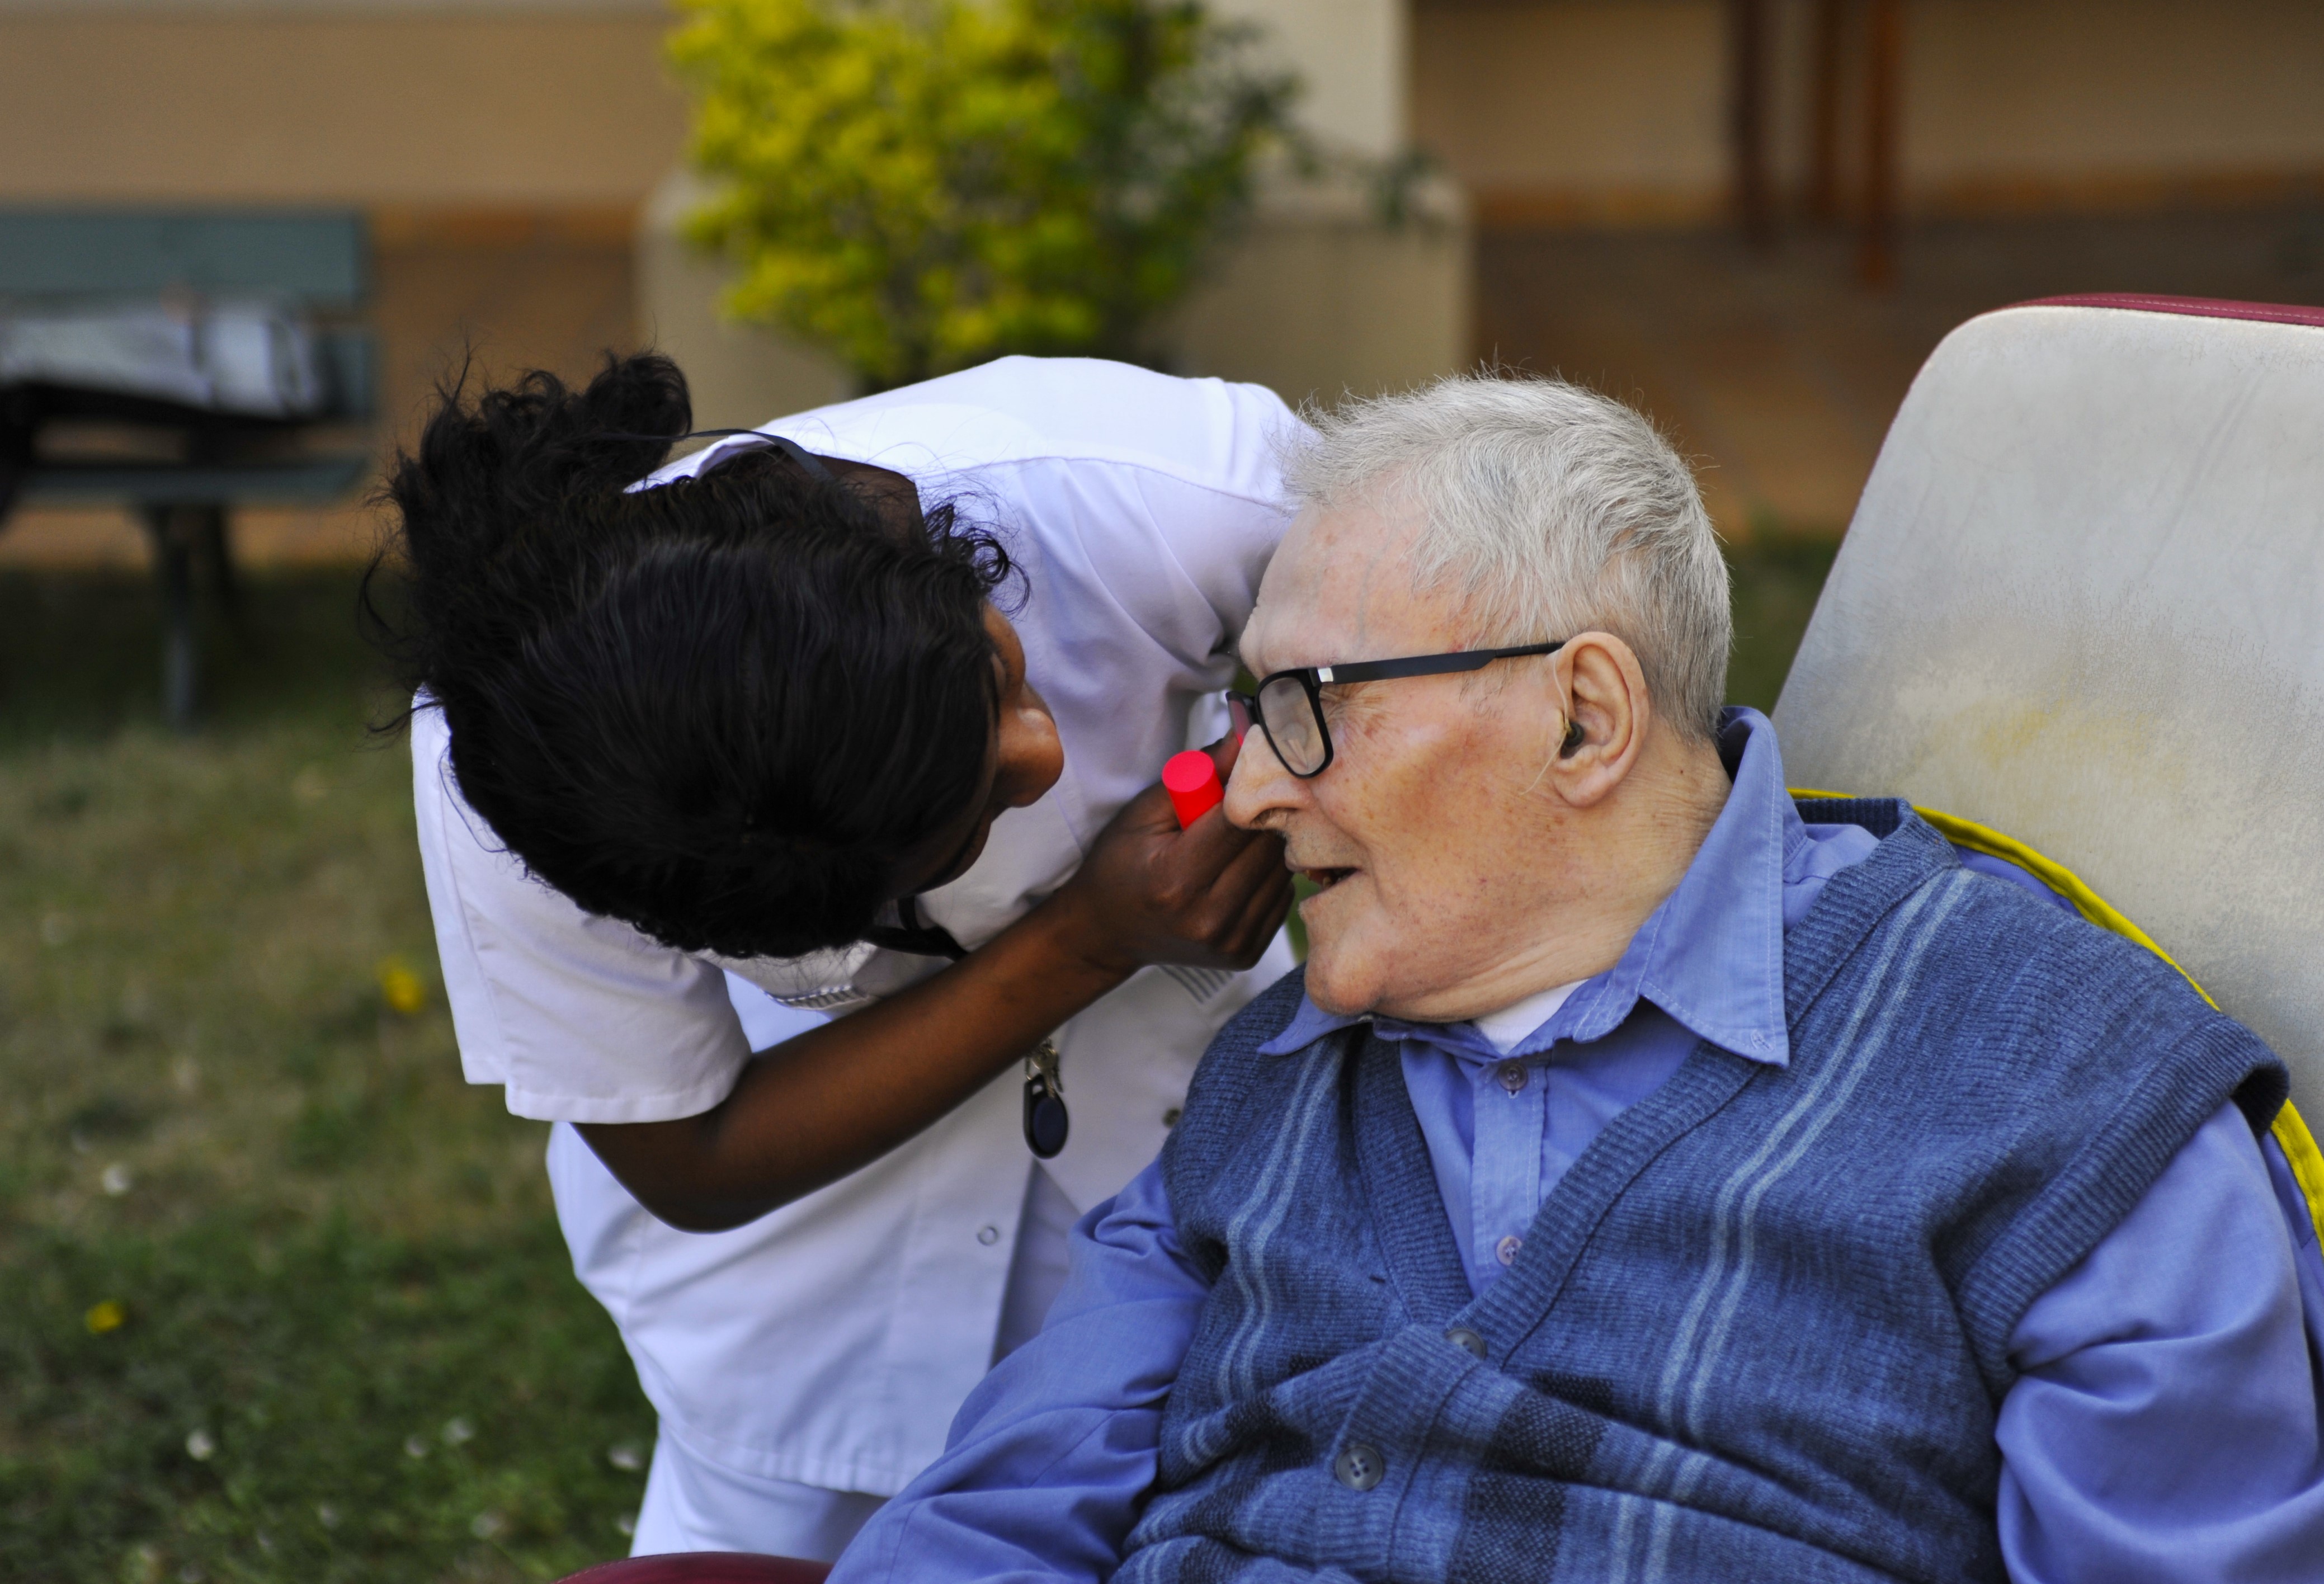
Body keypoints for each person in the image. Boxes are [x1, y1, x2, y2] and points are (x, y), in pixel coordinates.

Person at [829, 374, 2324, 1582]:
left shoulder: (2065, 1088)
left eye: (1300, 707)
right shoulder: (1262, 1090)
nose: (1247, 792)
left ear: (1582, 718)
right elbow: (983, 1529)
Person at [379, 352, 1305, 1558]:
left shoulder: (1160, 490)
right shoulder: (519, 781)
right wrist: (1087, 937)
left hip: (1167, 1156)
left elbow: (1474, 652)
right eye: (970, 823)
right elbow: (694, 1160)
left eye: (996, 676)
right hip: (799, 1293)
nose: (1044, 755)